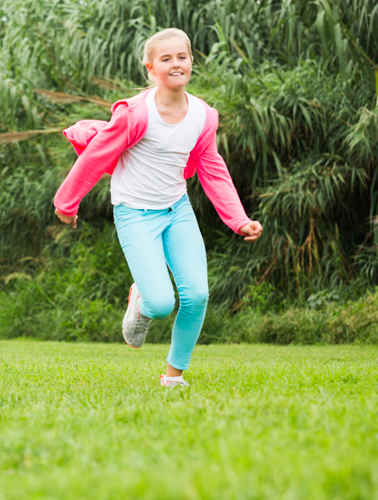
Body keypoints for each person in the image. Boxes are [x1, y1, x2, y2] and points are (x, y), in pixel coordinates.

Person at [53, 28, 263, 387]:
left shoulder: (203, 115)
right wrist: (67, 203)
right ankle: (141, 300)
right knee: (162, 304)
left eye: (182, 57)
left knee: (197, 294)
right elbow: (96, 157)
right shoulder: (135, 114)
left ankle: (173, 377)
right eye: (165, 59)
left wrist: (238, 219)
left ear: (191, 62)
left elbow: (212, 168)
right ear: (151, 69)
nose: (175, 64)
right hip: (134, 213)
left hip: (176, 210)